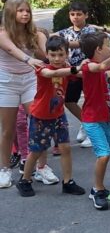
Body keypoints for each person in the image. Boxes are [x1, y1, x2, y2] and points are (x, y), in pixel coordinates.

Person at [16, 35, 85, 197]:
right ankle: (25, 180)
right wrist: (75, 68)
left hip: (58, 115)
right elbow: (51, 74)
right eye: (52, 55)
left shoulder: (67, 66)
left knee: (65, 148)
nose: (56, 58)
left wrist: (93, 67)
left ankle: (68, 182)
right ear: (46, 54)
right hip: (40, 116)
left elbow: (82, 74)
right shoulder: (42, 68)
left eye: (61, 55)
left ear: (67, 54)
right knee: (36, 150)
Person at [78, 33, 110, 210]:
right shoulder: (88, 66)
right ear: (99, 49)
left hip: (106, 118)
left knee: (109, 150)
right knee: (104, 153)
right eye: (108, 46)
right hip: (91, 119)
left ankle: (103, 188)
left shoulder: (106, 66)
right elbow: (99, 67)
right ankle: (97, 189)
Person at [0, 0, 47, 189]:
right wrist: (29, 60)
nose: (25, 14)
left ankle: (42, 167)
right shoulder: (2, 32)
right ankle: (4, 169)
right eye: (20, 10)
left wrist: (43, 43)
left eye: (27, 10)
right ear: (11, 12)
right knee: (7, 129)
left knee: (39, 123)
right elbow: (11, 50)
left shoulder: (35, 34)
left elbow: (45, 57)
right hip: (6, 82)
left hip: (30, 81)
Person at [57, 1, 96, 149]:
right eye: (72, 14)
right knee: (69, 100)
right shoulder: (64, 32)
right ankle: (86, 123)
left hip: (89, 71)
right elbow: (53, 40)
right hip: (72, 72)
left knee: (91, 101)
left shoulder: (91, 31)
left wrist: (65, 43)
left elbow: (84, 43)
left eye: (79, 14)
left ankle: (93, 133)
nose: (75, 17)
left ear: (86, 15)